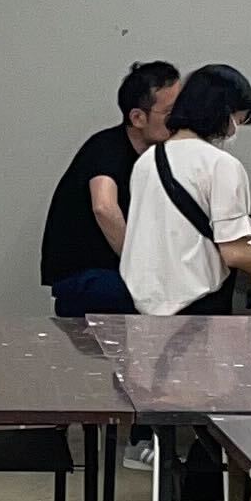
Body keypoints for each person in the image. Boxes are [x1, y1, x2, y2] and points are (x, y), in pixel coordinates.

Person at [119, 64, 251, 317]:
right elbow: (236, 253)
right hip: (195, 309)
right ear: (223, 112)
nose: (234, 129)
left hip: (141, 307)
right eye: (239, 120)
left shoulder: (147, 161)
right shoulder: (221, 165)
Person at [39, 60, 179, 315]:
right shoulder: (106, 148)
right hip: (89, 277)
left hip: (108, 275)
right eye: (170, 112)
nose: (180, 119)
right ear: (138, 117)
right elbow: (104, 207)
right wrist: (143, 267)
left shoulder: (156, 158)